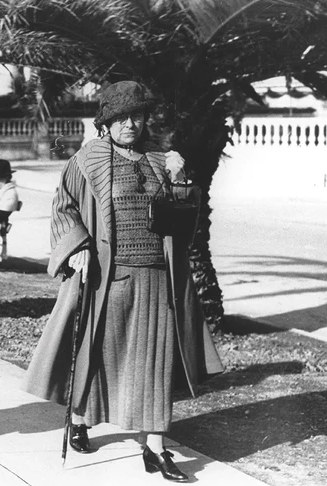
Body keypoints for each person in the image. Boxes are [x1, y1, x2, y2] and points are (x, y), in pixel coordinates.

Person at [23, 81, 223, 483]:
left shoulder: (160, 159)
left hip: (158, 280)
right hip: (105, 278)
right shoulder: (85, 160)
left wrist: (181, 182)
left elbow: (184, 223)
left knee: (156, 362)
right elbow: (64, 208)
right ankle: (80, 419)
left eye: (138, 116)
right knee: (98, 354)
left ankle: (155, 449)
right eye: (122, 117)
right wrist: (76, 245)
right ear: (107, 122)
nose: (131, 124)